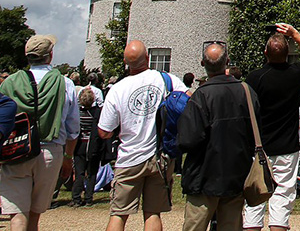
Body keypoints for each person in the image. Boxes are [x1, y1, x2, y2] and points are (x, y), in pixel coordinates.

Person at [97, 40, 186, 231]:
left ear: (125, 62)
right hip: (159, 156)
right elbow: (188, 101)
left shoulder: (117, 89)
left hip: (129, 156)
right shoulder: (166, 80)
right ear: (147, 58)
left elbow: (104, 131)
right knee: (153, 213)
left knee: (119, 214)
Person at [176, 43, 261, 231]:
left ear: (202, 64)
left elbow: (188, 140)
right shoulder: (246, 92)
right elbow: (255, 131)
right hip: (236, 173)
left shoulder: (201, 96)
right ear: (227, 62)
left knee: (194, 226)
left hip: (204, 176)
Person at [243, 23, 300, 231]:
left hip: (259, 146)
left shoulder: (254, 78)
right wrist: (294, 34)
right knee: (282, 197)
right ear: (288, 54)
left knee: (255, 199)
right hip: (287, 145)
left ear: (265, 52)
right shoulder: (296, 74)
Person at [0, 34, 79, 231]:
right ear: (50, 56)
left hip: (18, 148)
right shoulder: (65, 83)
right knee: (35, 214)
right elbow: (73, 128)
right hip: (50, 150)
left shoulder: (9, 82)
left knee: (18, 214)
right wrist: (68, 157)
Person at [71, 86, 102, 207]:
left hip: (80, 145)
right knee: (92, 172)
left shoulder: (78, 113)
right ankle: (89, 198)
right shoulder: (97, 112)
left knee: (79, 172)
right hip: (93, 145)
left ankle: (76, 198)